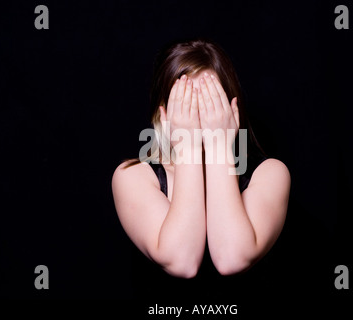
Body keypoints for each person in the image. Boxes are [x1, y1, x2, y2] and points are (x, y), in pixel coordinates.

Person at [111, 38, 290, 283]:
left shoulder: (270, 174)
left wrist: (218, 145)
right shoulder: (133, 177)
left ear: (231, 108)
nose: (198, 115)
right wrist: (188, 148)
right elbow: (182, 262)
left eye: (210, 101)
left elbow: (231, 259)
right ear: (163, 115)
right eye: (185, 104)